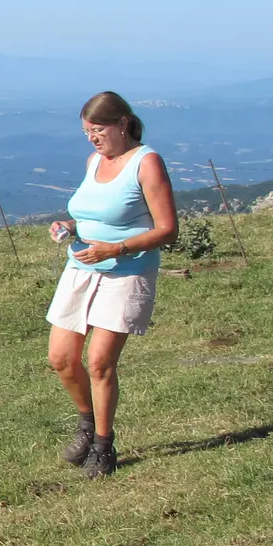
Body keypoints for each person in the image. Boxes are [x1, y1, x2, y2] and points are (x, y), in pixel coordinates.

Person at [45, 92, 177, 478]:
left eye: (98, 129)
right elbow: (89, 212)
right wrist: (70, 227)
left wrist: (116, 247)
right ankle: (87, 423)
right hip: (82, 267)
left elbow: (168, 230)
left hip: (127, 270)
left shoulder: (146, 162)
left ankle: (104, 446)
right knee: (61, 358)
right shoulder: (94, 161)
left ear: (122, 123)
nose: (92, 138)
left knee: (100, 362)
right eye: (87, 131)